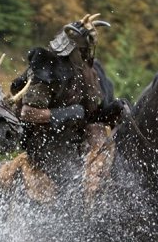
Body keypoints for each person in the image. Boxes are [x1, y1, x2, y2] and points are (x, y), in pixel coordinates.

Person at [7, 13, 124, 194]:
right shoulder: (47, 67)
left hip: (76, 138)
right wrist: (68, 112)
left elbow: (88, 115)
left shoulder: (87, 72)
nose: (87, 53)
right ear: (72, 48)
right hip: (45, 141)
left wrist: (114, 110)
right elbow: (28, 113)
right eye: (83, 49)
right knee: (73, 185)